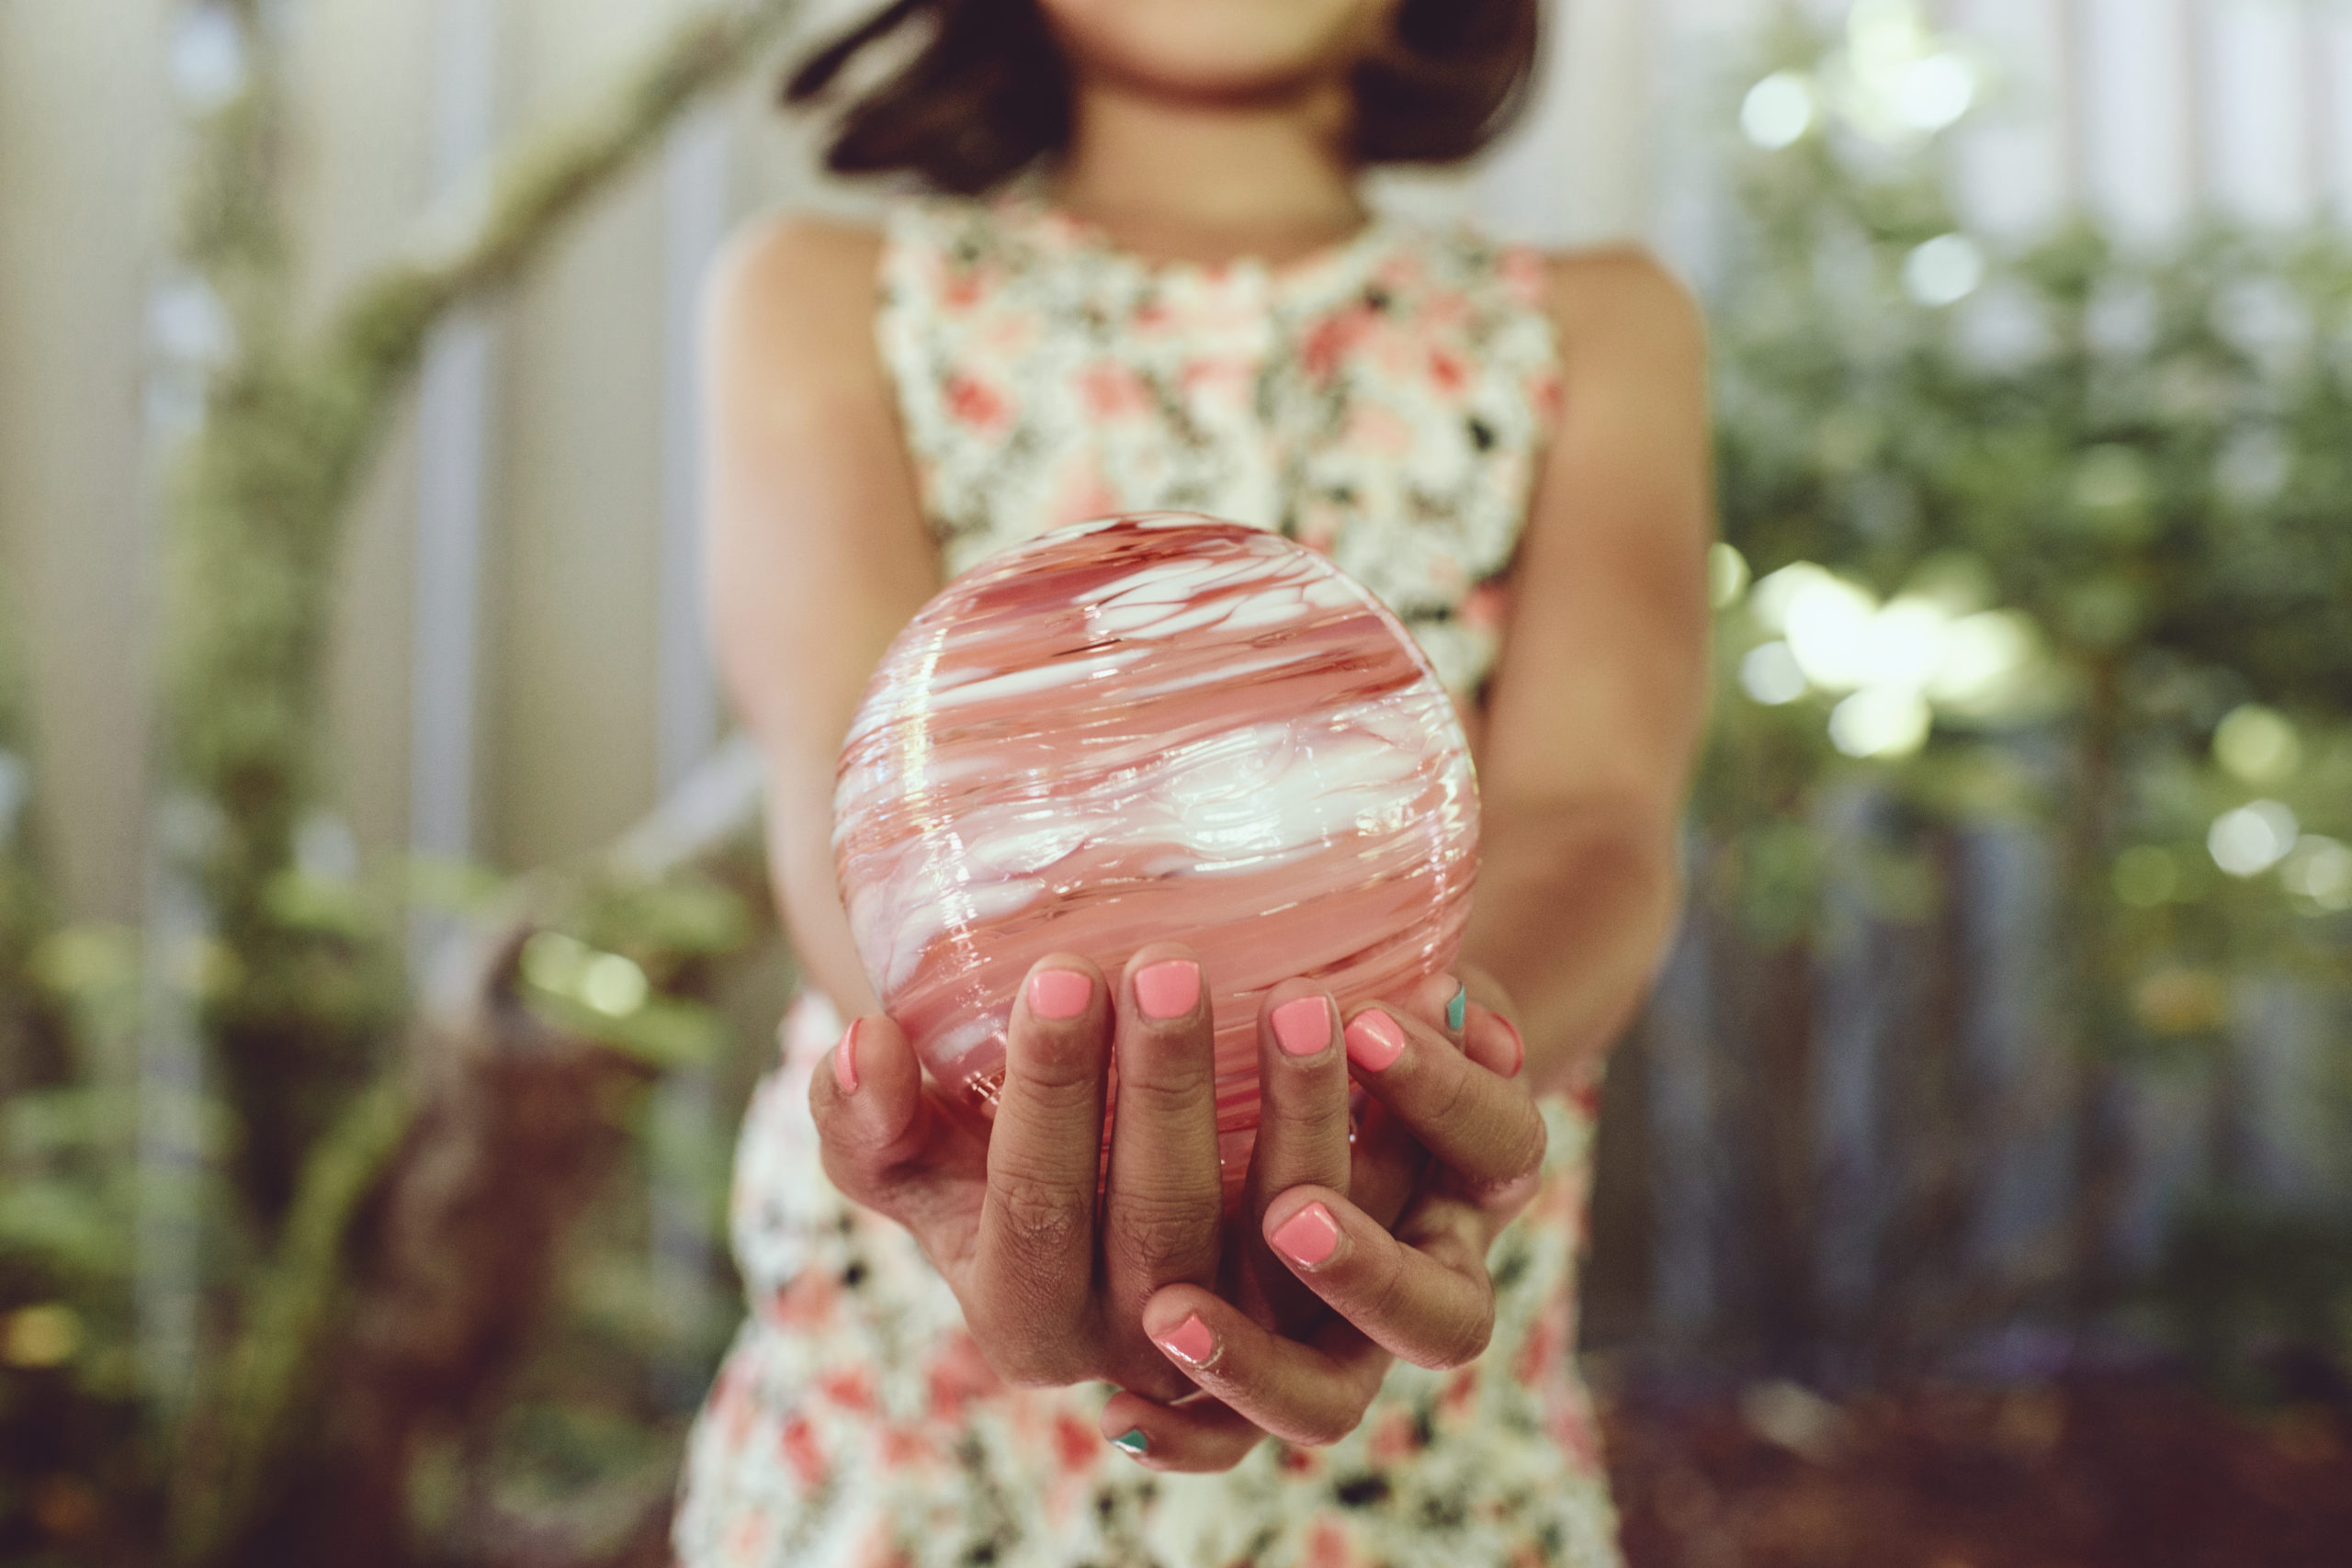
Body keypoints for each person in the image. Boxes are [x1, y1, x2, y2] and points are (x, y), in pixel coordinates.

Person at [675, 0, 1712, 1562]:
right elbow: (851, 800)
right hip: (912, 1421)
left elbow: (1596, 822)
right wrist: (1031, 1120)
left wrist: (1391, 1105)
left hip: (1403, 1407)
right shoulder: (827, 293)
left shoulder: (1594, 324)